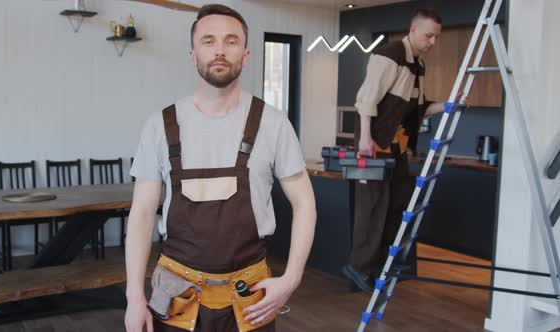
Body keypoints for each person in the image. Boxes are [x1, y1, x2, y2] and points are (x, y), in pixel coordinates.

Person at [124, 4, 316, 332]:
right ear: (192, 53)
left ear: (246, 53)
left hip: (250, 300)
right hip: (176, 297)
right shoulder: (160, 124)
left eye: (231, 41)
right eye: (208, 40)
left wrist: (291, 278)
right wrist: (134, 297)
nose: (219, 50)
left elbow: (305, 203)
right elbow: (142, 213)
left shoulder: (273, 123)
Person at [342, 8, 446, 292]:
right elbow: (366, 100)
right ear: (413, 31)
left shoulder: (417, 66)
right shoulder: (389, 56)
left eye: (436, 37)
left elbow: (418, 109)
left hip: (397, 149)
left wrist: (448, 105)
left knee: (396, 205)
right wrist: (364, 138)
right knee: (372, 208)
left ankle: (381, 266)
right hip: (373, 144)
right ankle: (358, 266)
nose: (432, 43)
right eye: (429, 36)